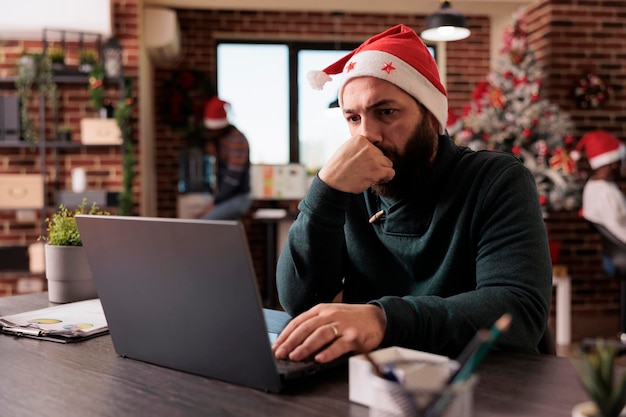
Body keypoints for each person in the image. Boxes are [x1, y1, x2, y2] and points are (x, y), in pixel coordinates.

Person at [271, 24, 552, 364]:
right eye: (353, 117)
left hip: (479, 383)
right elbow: (301, 300)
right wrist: (325, 190)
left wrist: (383, 319)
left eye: (385, 112)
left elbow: (518, 310)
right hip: (375, 380)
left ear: (432, 117)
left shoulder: (495, 180)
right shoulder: (349, 186)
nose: (367, 135)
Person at [194, 96, 252, 220]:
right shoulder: (220, 141)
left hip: (238, 198)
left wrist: (214, 204)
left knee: (204, 222)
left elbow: (232, 179)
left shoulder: (237, 140)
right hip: (225, 197)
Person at [577, 130, 626, 243]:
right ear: (614, 163)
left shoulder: (592, 185)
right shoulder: (606, 192)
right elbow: (618, 228)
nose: (623, 167)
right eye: (621, 162)